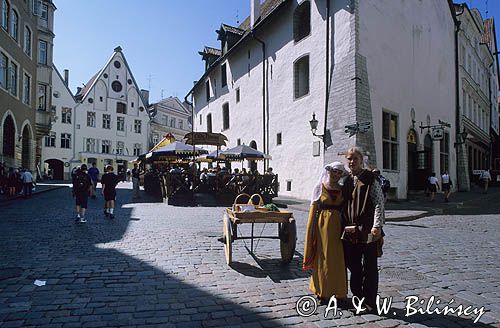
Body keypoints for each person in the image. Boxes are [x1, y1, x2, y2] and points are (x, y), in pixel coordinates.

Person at [342, 147, 385, 313]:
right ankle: (358, 298)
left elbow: (378, 203)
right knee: (353, 266)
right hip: (350, 230)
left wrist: (377, 225)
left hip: (367, 229)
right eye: (349, 159)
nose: (352, 162)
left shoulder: (369, 179)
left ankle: (370, 303)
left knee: (370, 267)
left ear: (361, 160)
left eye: (355, 159)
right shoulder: (346, 180)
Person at [303, 161, 348, 306]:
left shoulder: (342, 189)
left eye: (339, 172)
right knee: (323, 258)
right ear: (328, 171)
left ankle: (339, 291)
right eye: (334, 171)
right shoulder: (319, 188)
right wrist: (311, 230)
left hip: (339, 227)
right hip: (322, 227)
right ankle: (322, 291)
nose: (336, 175)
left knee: (338, 258)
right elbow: (313, 209)